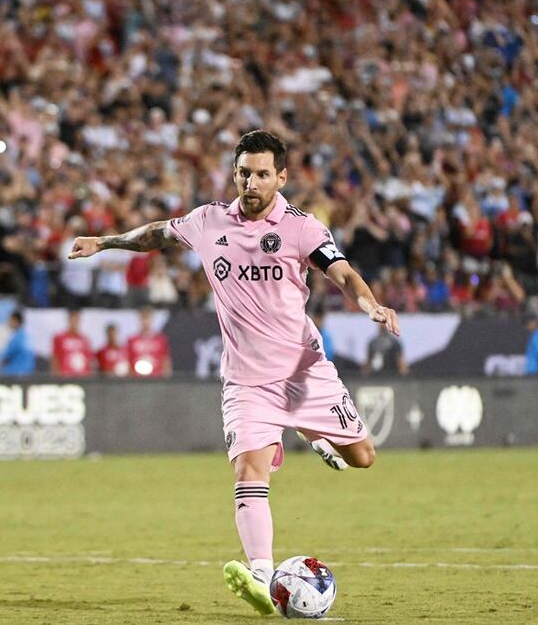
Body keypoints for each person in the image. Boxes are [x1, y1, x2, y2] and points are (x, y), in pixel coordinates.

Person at [68, 130, 400, 616]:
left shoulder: (302, 228)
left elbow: (342, 273)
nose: (252, 181)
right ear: (235, 173)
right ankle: (262, 577)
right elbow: (157, 234)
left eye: (263, 173)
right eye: (245, 172)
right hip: (246, 381)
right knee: (249, 470)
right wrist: (105, 242)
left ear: (281, 177)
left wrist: (370, 304)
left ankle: (313, 433)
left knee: (363, 457)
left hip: (304, 373)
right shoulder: (209, 221)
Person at [125, 307, 171, 378]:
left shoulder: (160, 340)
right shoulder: (132, 340)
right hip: (137, 379)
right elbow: (128, 362)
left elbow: (165, 361)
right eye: (143, 318)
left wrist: (166, 377)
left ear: (151, 320)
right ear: (140, 320)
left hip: (156, 378)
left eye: (147, 318)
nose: (145, 322)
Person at [52, 309, 93, 377]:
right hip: (65, 376)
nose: (74, 322)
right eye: (72, 319)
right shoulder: (59, 338)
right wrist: (56, 375)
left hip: (82, 376)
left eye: (76, 319)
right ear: (68, 320)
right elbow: (55, 358)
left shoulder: (85, 339)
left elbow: (89, 360)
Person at [0, 310, 35, 375]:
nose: (8, 322)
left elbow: (6, 357)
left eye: (10, 320)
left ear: (16, 321)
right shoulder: (27, 336)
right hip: (28, 374)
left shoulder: (16, 338)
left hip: (14, 374)